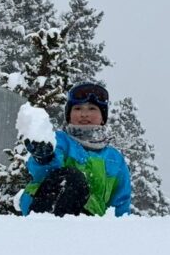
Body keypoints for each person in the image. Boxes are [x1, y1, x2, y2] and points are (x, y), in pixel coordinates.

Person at [14, 82, 132, 217]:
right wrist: (45, 157)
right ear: (69, 115)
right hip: (46, 209)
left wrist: (118, 226)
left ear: (103, 117)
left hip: (89, 221)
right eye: (78, 108)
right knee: (72, 178)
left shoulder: (114, 159)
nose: (84, 114)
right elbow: (43, 173)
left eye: (92, 108)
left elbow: (121, 203)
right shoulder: (59, 140)